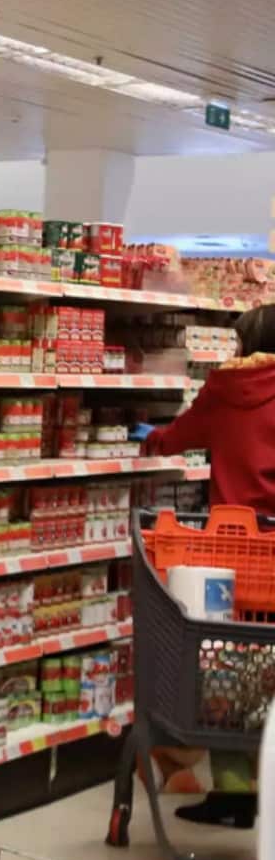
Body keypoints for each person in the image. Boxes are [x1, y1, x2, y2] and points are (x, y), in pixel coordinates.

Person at [137, 304, 275, 828]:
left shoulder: (226, 388)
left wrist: (151, 437)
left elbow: (181, 435)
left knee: (228, 668)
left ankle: (236, 792)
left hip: (235, 551)